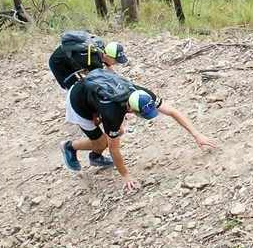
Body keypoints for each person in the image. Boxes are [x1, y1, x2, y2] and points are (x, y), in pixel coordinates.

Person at [60, 69, 219, 190]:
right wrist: (125, 175)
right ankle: (69, 146)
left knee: (117, 133)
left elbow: (171, 111)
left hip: (94, 97)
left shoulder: (141, 94)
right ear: (131, 109)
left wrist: (197, 134)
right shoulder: (113, 113)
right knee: (103, 143)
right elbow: (115, 150)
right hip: (79, 105)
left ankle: (95, 157)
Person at [48, 34, 128, 90]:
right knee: (75, 88)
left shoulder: (101, 47)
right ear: (108, 56)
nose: (117, 63)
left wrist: (120, 81)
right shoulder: (94, 63)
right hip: (58, 63)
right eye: (116, 60)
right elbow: (95, 80)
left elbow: (109, 67)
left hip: (67, 55)